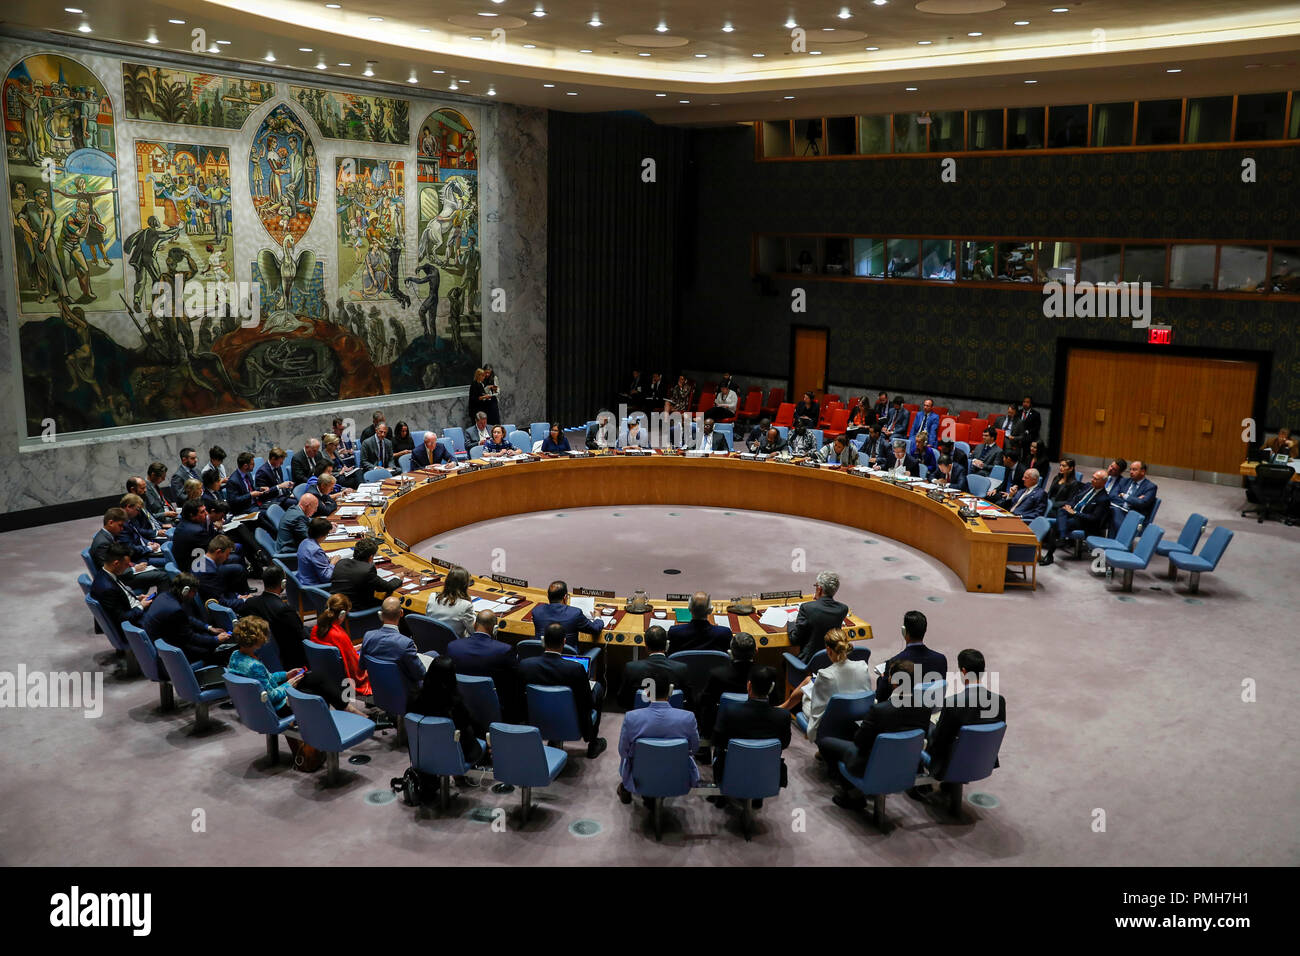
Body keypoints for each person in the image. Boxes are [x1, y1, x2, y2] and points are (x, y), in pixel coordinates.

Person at [829, 659, 934, 807]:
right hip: (907, 765)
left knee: (827, 743)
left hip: (873, 765)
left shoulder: (880, 710)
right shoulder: (925, 708)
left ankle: (852, 795)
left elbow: (860, 742)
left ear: (895, 683)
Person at [227, 615, 369, 716]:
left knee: (316, 676)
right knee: (319, 692)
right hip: (278, 707)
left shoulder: (236, 656)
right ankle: (339, 719)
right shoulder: (253, 666)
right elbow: (271, 696)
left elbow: (265, 679)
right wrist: (289, 684)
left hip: (257, 704)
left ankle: (346, 709)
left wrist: (286, 675)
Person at [914, 648, 1006, 794]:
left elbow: (939, 740)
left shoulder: (953, 703)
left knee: (926, 729)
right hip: (982, 759)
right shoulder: (999, 701)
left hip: (950, 762)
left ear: (963, 672)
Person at [517, 623, 607, 758]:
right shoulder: (575, 669)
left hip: (537, 717)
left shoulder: (525, 665)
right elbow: (587, 701)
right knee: (598, 689)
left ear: (543, 641)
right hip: (572, 719)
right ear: (564, 642)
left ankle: (554, 738)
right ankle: (593, 743)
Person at [616, 674, 699, 805]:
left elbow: (623, 752)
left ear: (647, 694)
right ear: (670, 692)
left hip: (641, 773)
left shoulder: (631, 718)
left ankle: (630, 788)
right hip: (676, 774)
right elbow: (694, 749)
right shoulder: (688, 718)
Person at [710, 665, 790, 800]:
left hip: (731, 771)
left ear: (749, 686)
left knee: (719, 750)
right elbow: (785, 744)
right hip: (767, 774)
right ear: (771, 689)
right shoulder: (783, 716)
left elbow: (717, 741)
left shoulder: (730, 712)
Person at [780, 628, 872, 742]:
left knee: (805, 692)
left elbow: (817, 712)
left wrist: (812, 733)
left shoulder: (825, 675)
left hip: (832, 720)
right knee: (809, 681)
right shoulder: (862, 666)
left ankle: (781, 709)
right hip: (857, 713)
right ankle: (782, 708)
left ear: (828, 650)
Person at [407, 656, 485, 765]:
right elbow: (466, 724)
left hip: (423, 751)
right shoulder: (454, 704)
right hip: (453, 753)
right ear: (451, 677)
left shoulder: (414, 697)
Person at [141, 573, 232, 667]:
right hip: (170, 655)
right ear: (185, 591)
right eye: (194, 592)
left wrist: (208, 628)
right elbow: (191, 638)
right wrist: (216, 639)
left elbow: (186, 618)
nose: (195, 595)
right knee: (215, 650)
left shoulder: (164, 596)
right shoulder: (174, 609)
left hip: (163, 645)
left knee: (206, 636)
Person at [238, 564, 307, 670]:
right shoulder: (285, 610)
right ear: (283, 584)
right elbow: (301, 637)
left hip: (263, 656)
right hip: (291, 663)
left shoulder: (250, 603)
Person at [1039, 470, 1112, 565]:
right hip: (1072, 513)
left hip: (1084, 522)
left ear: (1104, 482)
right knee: (1062, 510)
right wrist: (1069, 506)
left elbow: (1094, 518)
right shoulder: (1088, 486)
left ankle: (1051, 553)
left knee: (1056, 525)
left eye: (1096, 479)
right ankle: (1062, 536)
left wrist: (1075, 513)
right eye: (1092, 477)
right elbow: (1074, 499)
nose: (1092, 480)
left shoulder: (1104, 499)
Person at [361, 596, 427, 698]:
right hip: (406, 694)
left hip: (379, 689)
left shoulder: (368, 636)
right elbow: (421, 674)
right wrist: (414, 652)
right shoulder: (406, 644)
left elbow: (362, 666)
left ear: (381, 614)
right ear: (401, 613)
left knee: (432, 654)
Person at [875, 610, 947, 699]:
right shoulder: (941, 659)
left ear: (903, 631)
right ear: (925, 630)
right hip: (932, 708)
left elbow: (881, 696)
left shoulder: (894, 663)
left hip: (906, 710)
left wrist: (882, 678)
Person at [91, 508, 169, 590]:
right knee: (163, 576)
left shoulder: (107, 536)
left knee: (160, 570)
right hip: (121, 579)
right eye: (120, 525)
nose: (122, 529)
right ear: (110, 523)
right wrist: (134, 569)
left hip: (126, 569)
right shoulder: (102, 543)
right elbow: (108, 570)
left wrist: (135, 565)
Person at [310, 593, 371, 696]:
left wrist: (351, 648)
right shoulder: (339, 635)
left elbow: (337, 650)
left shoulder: (316, 628)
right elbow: (354, 667)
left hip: (326, 673)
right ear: (342, 614)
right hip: (343, 679)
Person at [784, 570, 849, 664]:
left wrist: (790, 623)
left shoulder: (807, 608)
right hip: (831, 659)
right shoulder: (842, 609)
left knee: (784, 663)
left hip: (808, 662)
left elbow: (794, 640)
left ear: (819, 589)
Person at [618, 625, 690, 709]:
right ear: (666, 646)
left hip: (640, 715)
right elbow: (688, 700)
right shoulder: (681, 668)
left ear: (646, 647)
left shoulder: (631, 668)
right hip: (674, 714)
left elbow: (622, 701)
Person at [91, 543, 155, 629]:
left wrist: (137, 597)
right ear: (116, 563)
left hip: (133, 607)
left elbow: (120, 596)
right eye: (126, 564)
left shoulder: (106, 573)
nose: (129, 566)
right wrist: (141, 606)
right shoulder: (107, 588)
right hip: (135, 623)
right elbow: (122, 619)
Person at [330, 536, 399, 611]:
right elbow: (387, 587)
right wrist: (398, 578)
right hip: (355, 612)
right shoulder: (367, 570)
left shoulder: (341, 562)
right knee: (392, 605)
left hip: (336, 606)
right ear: (371, 557)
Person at [531, 580, 604, 643]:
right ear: (565, 597)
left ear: (548, 596)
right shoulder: (575, 613)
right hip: (569, 657)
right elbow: (595, 629)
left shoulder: (537, 611)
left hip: (543, 655)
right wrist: (597, 616)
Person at [195, 534, 250, 609]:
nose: (227, 558)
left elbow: (222, 590)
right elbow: (220, 603)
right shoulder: (208, 573)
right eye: (227, 555)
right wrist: (245, 600)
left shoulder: (205, 562)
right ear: (218, 552)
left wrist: (238, 596)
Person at [423, 565, 476, 637]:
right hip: (454, 646)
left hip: (431, 640)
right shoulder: (466, 605)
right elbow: (473, 631)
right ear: (465, 585)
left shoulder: (432, 597)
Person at [1109, 460, 1158, 533]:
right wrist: (1133, 500)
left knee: (1112, 515)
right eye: (1130, 469)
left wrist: (1123, 495)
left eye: (1134, 470)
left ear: (1143, 472)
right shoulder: (1124, 481)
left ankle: (1116, 539)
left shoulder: (1150, 487)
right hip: (1119, 510)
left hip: (1134, 516)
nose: (1131, 472)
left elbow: (1142, 503)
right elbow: (1112, 495)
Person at [296, 516, 338, 587]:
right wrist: (333, 563)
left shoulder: (304, 541)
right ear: (321, 535)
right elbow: (326, 578)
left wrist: (327, 560)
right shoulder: (315, 550)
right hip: (315, 588)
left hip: (303, 579)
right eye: (327, 534)